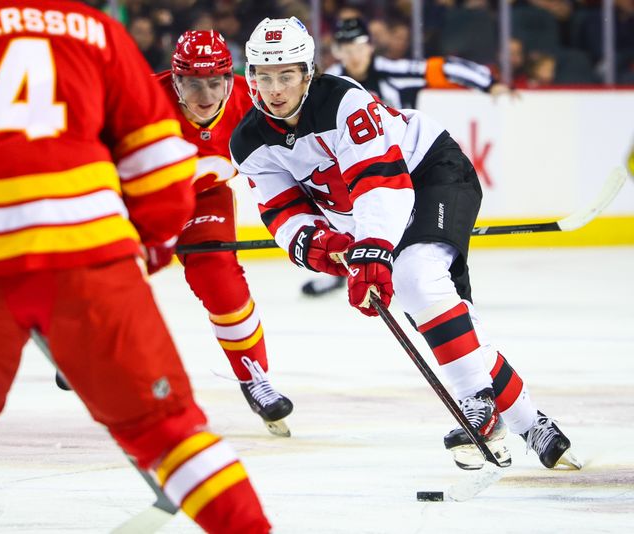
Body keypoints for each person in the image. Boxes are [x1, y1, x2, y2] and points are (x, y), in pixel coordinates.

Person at [0, 2, 271, 533]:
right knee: (171, 430)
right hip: (91, 258)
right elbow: (159, 167)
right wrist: (140, 252)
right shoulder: (96, 31)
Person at [230, 16, 582, 472]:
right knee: (442, 318)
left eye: (286, 74)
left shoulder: (343, 100)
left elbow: (380, 183)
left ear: (307, 73)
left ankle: (478, 405)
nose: (274, 88)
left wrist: (372, 250)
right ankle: (533, 424)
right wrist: (327, 248)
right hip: (374, 213)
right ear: (251, 77)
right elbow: (283, 212)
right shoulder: (248, 142)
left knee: (417, 279)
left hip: (431, 173)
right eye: (264, 75)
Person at [302, 16, 512, 297]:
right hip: (353, 168)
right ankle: (343, 269)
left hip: (407, 167)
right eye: (345, 48)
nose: (353, 55)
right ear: (337, 51)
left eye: (358, 46)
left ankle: (444, 286)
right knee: (329, 193)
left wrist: (490, 83)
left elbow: (444, 68)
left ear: (370, 47)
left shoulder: (393, 71)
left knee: (425, 236)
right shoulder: (328, 83)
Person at [153, 30, 294, 437]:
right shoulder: (140, 99)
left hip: (203, 198)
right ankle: (78, 349)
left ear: (231, 80)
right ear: (175, 80)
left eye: (215, 81)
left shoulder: (253, 104)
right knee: (108, 276)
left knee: (220, 278)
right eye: (193, 82)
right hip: (137, 202)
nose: (205, 94)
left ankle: (254, 377)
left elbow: (293, 158)